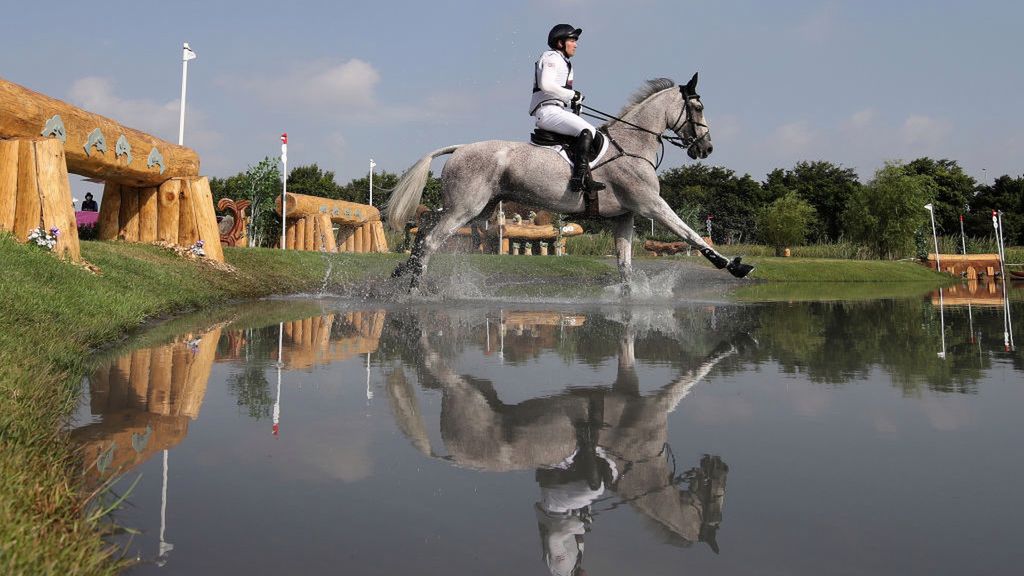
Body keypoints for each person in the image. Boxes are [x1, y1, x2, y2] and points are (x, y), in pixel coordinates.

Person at [530, 24, 605, 195]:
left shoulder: (563, 62)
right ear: (560, 43)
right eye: (572, 40)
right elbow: (546, 85)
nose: (576, 44)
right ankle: (579, 180)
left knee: (590, 131)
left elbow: (556, 91)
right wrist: (572, 95)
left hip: (555, 109)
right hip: (547, 111)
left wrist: (573, 101)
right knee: (587, 131)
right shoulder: (551, 57)